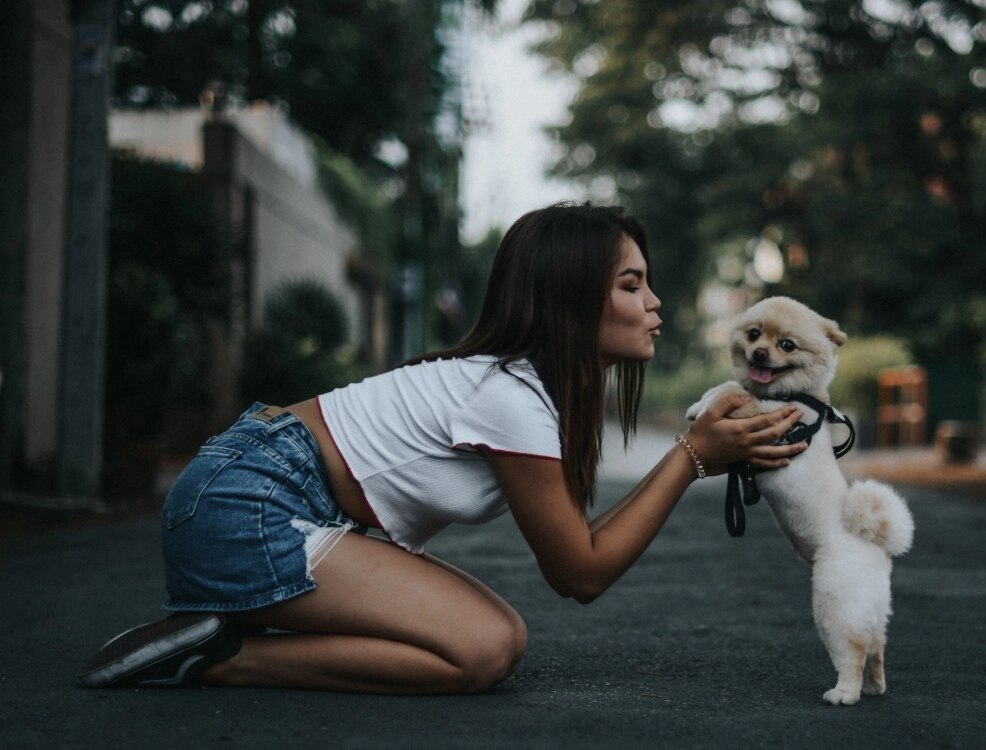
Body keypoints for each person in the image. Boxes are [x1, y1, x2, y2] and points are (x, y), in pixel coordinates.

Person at [77, 202, 807, 694]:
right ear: (571, 297)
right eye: (631, 284)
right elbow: (579, 574)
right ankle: (222, 658)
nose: (656, 304)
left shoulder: (528, 394)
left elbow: (576, 554)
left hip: (265, 497)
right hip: (245, 504)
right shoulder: (511, 396)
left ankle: (224, 634)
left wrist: (713, 445)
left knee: (490, 642)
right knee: (484, 646)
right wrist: (691, 456)